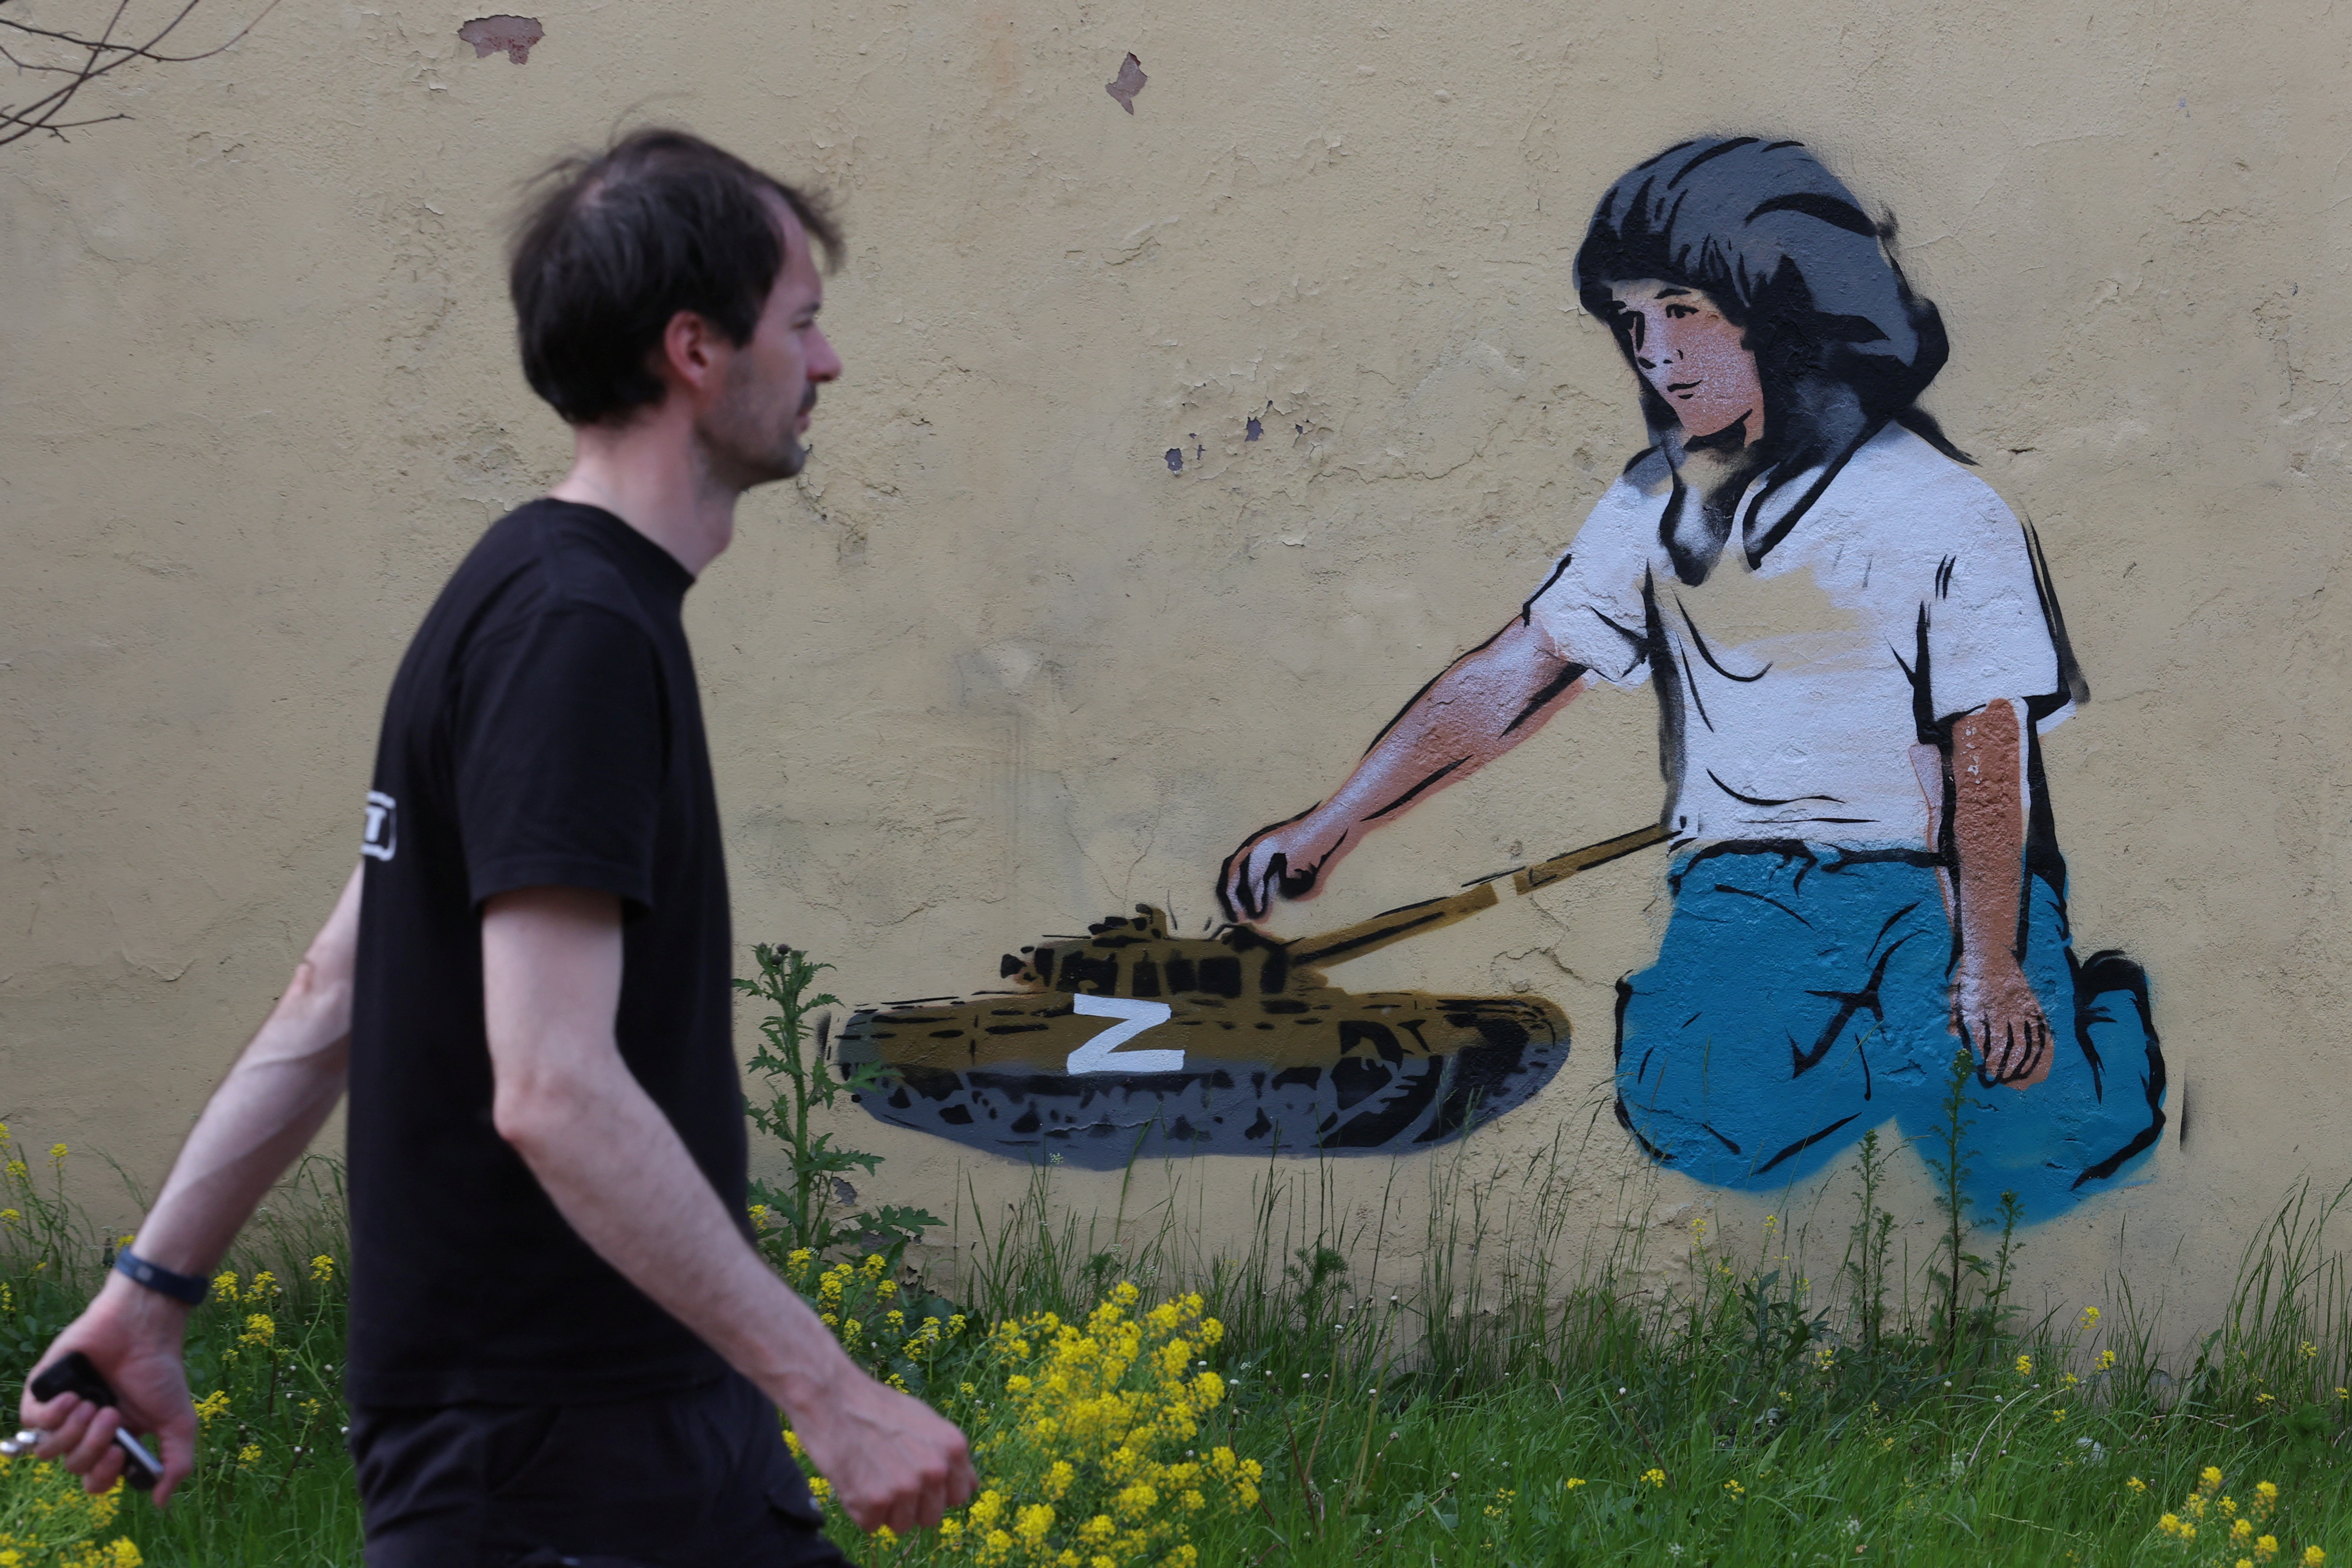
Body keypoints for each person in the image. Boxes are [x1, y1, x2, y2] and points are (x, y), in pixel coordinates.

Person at [18, 128, 975, 1567]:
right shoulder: (574, 635)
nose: (826, 364)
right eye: (802, 320)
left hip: (594, 1438)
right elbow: (551, 1088)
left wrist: (152, 1291)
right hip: (562, 1465)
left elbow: (338, 987)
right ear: (695, 350)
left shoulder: (526, 594)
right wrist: (831, 1396)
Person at [1220, 136, 2165, 1220]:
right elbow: (1509, 677)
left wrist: (1987, 963)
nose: (1652, 352)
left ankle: (2085, 1023)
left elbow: (1986, 756)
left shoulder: (1939, 511)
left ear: (1781, 309)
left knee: (2016, 1152)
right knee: (1692, 1114)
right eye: (1631, 322)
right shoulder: (1648, 507)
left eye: (1682, 311)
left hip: (1936, 880)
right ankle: (1897, 1042)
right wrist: (1330, 823)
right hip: (1749, 882)